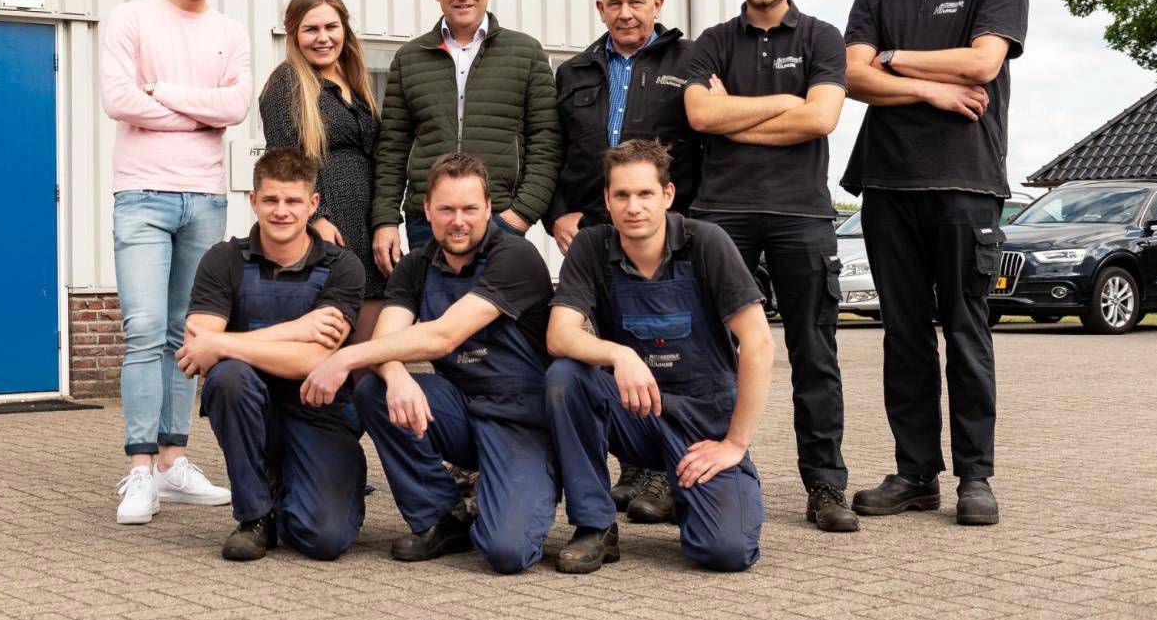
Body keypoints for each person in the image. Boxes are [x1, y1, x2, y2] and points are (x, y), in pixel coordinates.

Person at [841, 0, 1028, 528]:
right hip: (888, 183)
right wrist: (929, 88)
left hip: (966, 182)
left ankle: (976, 477)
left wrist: (893, 58)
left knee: (966, 331)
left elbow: (983, 62)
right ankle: (916, 474)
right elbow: (850, 75)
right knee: (904, 335)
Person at [681, 0, 857, 534]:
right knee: (708, 352)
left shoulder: (822, 38)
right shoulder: (712, 42)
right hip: (721, 214)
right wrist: (785, 102)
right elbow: (699, 116)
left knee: (815, 353)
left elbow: (821, 120)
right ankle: (705, 477)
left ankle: (826, 486)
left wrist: (735, 114)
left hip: (801, 214)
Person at [303, 153, 557, 575]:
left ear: (488, 208)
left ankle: (525, 484)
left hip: (520, 422)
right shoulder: (416, 265)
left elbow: (444, 336)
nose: (458, 221)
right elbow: (386, 339)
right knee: (376, 389)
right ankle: (441, 516)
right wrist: (396, 373)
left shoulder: (516, 257)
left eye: (469, 209)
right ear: (426, 209)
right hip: (460, 411)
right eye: (446, 209)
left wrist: (347, 356)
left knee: (506, 551)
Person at [542, 140, 770, 574]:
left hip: (702, 426)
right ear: (607, 199)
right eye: (622, 195)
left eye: (645, 194)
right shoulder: (591, 247)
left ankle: (691, 497)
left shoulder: (706, 243)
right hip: (636, 415)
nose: (634, 207)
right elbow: (559, 335)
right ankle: (595, 525)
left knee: (725, 551)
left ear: (667, 194)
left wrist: (735, 444)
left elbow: (759, 343)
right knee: (564, 377)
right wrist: (619, 354)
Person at [102, 0, 255, 525]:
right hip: (141, 195)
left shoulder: (231, 32)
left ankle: (174, 463)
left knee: (185, 334)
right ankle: (140, 469)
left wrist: (161, 92)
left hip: (205, 198)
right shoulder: (132, 18)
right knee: (143, 330)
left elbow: (236, 106)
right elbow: (117, 98)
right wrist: (200, 115)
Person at [542, 0, 704, 514]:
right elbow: (554, 149)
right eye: (614, 3)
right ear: (600, 9)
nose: (626, 13)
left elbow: (705, 148)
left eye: (637, 1)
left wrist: (689, 222)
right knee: (610, 343)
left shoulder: (690, 62)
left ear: (659, 4)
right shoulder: (574, 72)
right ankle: (635, 467)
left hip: (661, 229)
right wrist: (557, 213)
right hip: (593, 230)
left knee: (663, 347)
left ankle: (663, 469)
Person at [178, 148, 369, 561]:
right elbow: (199, 352)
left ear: (313, 204)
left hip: (319, 410)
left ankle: (293, 484)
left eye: (293, 201)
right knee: (228, 378)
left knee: (324, 539)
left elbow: (315, 360)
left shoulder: (343, 266)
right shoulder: (223, 260)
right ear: (253, 200)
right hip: (254, 408)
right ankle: (255, 517)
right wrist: (298, 330)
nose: (281, 211)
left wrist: (224, 342)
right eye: (271, 199)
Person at [371, 0, 559, 278]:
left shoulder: (527, 53)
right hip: (428, 220)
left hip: (499, 218)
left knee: (495, 310)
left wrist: (521, 214)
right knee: (434, 307)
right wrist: (385, 220)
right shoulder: (409, 59)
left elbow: (546, 142)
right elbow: (392, 148)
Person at [258, 0, 384, 337]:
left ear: (344, 29)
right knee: (329, 337)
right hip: (329, 224)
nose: (323, 38)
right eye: (311, 29)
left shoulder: (355, 81)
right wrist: (316, 219)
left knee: (371, 342)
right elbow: (284, 164)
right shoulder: (287, 83)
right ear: (294, 34)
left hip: (366, 221)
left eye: (331, 27)